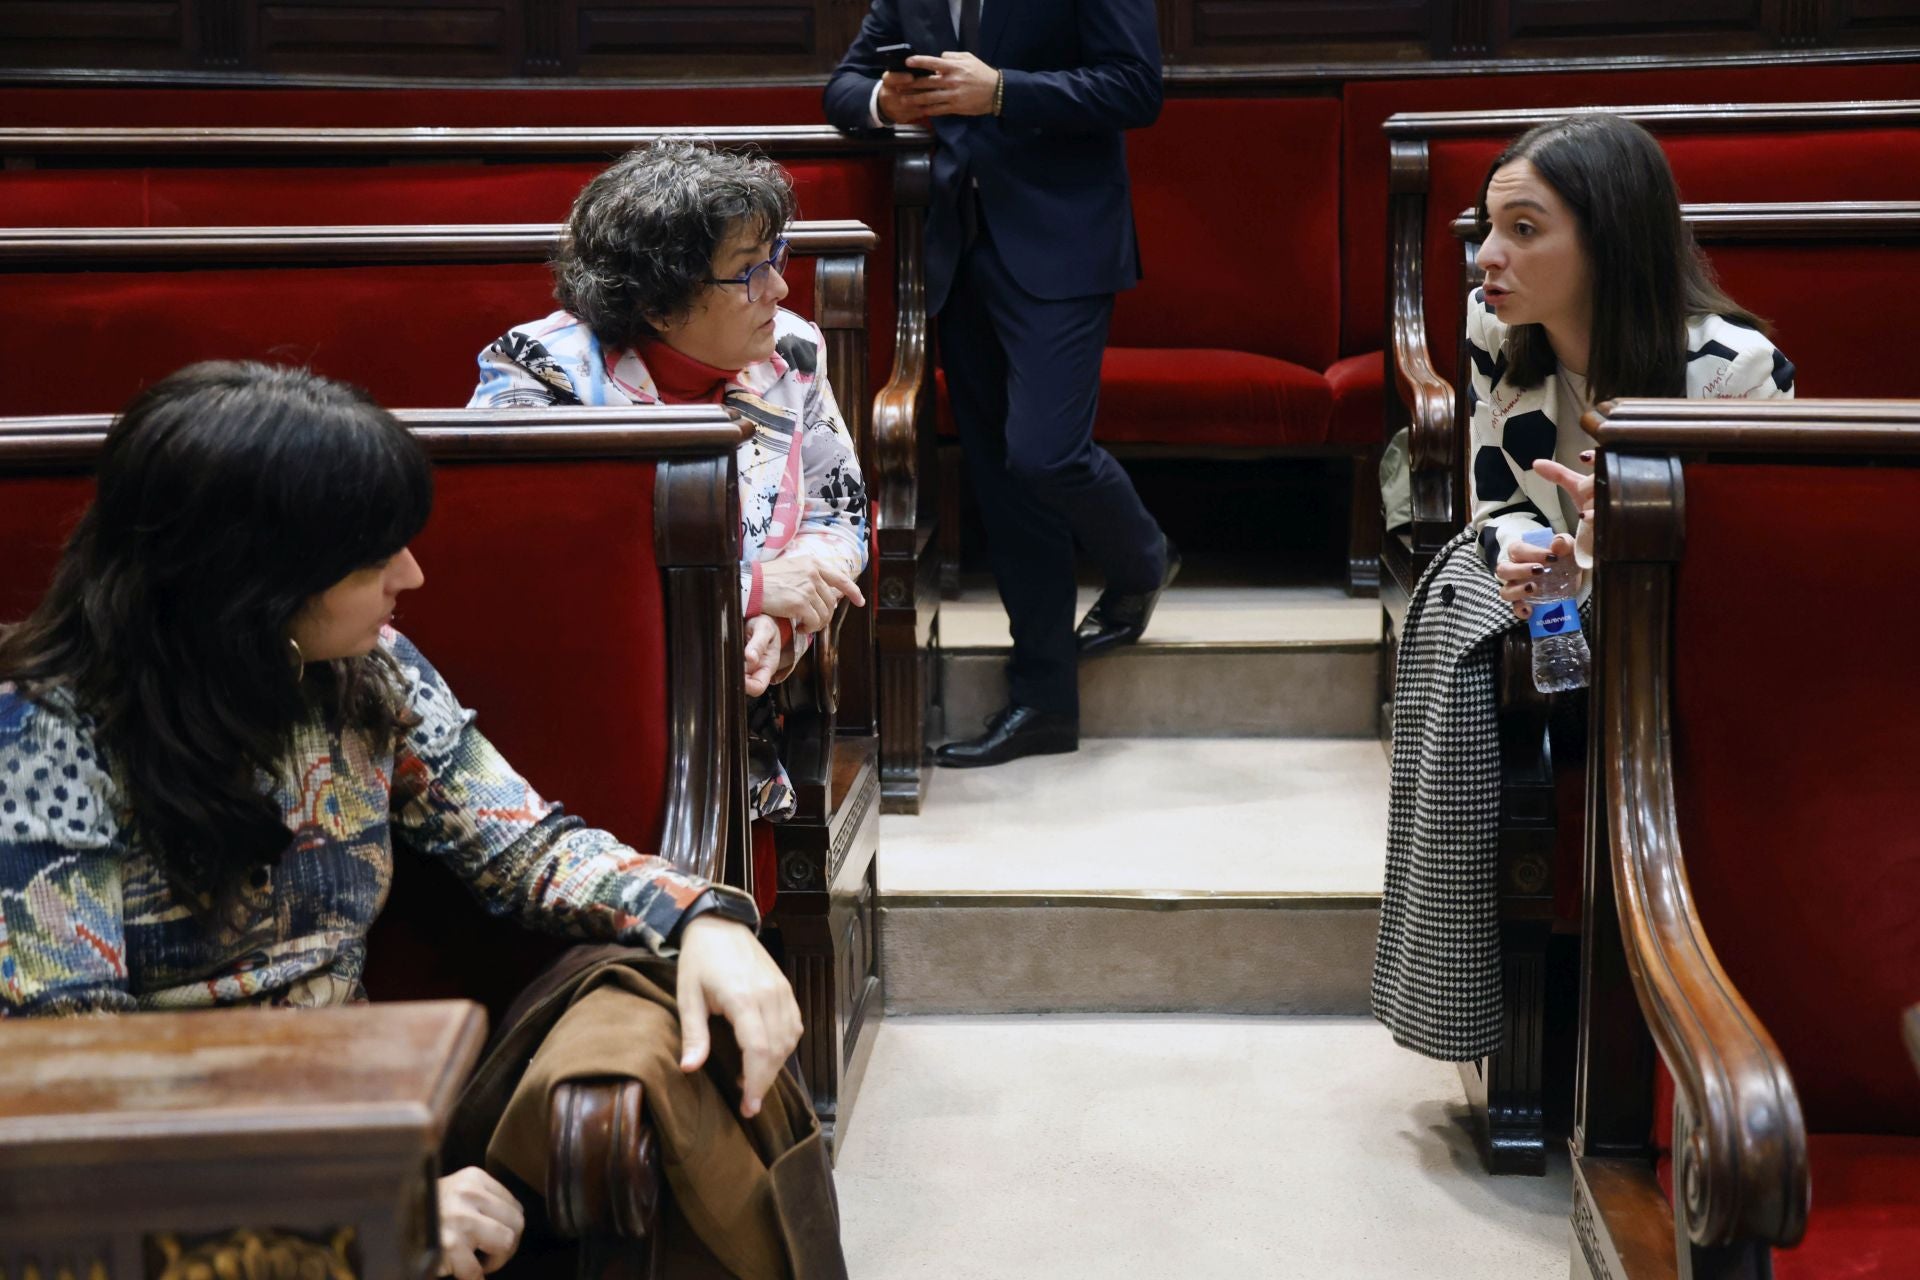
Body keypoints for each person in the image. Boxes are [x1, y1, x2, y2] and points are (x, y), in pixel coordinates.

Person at [0, 363, 824, 1278]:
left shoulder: (364, 670)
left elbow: (526, 847)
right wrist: (357, 1212)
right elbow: (73, 1092)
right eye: (374, 557)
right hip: (163, 1207)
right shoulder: (42, 736)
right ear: (255, 582)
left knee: (660, 1036)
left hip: (371, 1117)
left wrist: (702, 915)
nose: (414, 573)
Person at [1371, 113, 1795, 1063]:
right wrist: (1530, 553)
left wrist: (1618, 555)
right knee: (1476, 610)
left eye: (1525, 229)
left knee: (1541, 638)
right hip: (1556, 613)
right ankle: (1475, 1008)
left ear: (1609, 237)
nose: (1489, 256)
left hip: (1681, 644)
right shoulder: (1496, 329)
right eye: (1487, 227)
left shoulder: (1731, 370)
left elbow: (1756, 586)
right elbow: (1492, 502)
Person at [823, 0, 1178, 769]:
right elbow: (843, 85)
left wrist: (1006, 91)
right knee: (1002, 477)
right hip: (956, 246)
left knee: (1045, 452)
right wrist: (885, 101)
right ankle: (1043, 702)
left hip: (1063, 239)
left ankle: (1143, 557)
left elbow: (1135, 87)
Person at [468, 141, 869, 819]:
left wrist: (780, 621)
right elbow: (544, 576)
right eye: (749, 272)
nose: (780, 288)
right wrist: (751, 590)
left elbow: (839, 514)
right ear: (659, 302)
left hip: (735, 709)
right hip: (590, 708)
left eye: (778, 258)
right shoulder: (541, 373)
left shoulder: (792, 352)